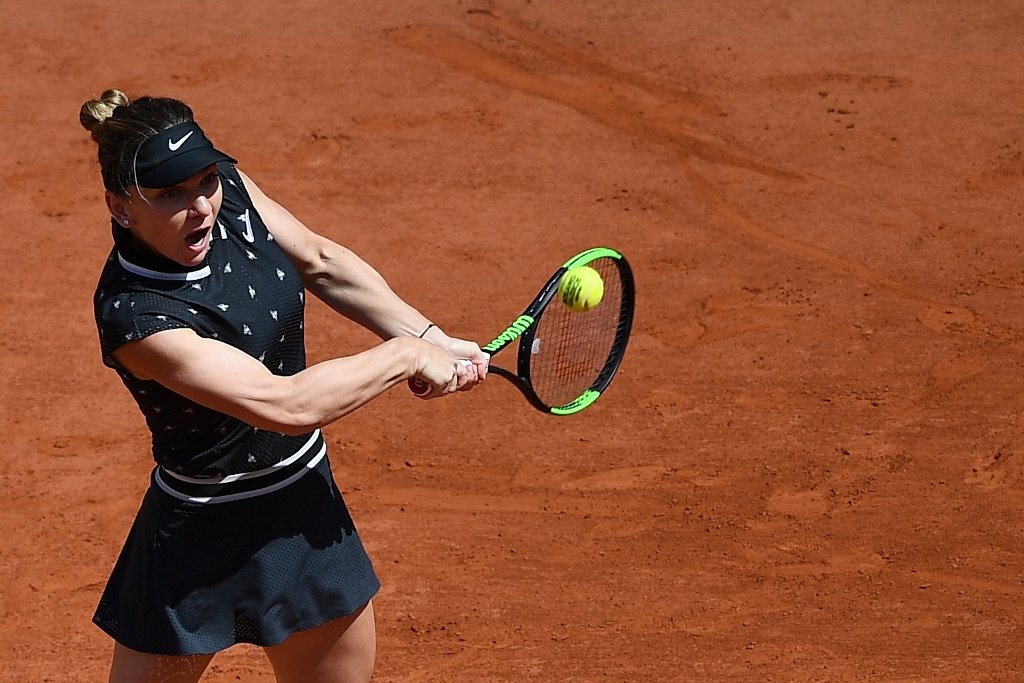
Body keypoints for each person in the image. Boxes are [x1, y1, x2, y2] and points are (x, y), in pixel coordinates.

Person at [79, 88, 488, 683]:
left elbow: (321, 261)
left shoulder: (231, 196)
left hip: (301, 513)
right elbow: (283, 403)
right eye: (170, 194)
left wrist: (433, 336)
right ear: (121, 209)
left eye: (204, 181)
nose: (200, 206)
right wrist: (406, 355)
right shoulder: (135, 314)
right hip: (199, 533)